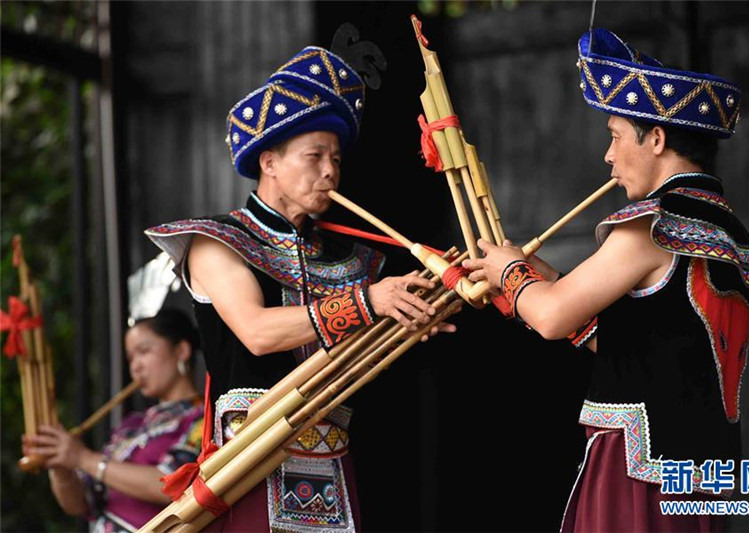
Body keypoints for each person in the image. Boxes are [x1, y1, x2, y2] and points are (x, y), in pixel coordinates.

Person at [464, 28, 749, 532]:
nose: (608, 157)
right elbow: (649, 343)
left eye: (614, 135)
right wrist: (546, 279)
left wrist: (509, 272)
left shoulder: (652, 225)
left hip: (642, 471)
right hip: (703, 481)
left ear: (655, 138)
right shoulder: (723, 226)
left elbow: (549, 316)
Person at [146, 45, 453, 532]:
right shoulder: (217, 241)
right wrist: (371, 301)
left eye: (335, 158)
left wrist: (410, 319)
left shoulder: (351, 258)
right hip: (248, 466)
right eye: (314, 156)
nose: (330, 171)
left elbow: (359, 358)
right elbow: (258, 332)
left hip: (333, 461)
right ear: (269, 162)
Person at [24, 309, 204, 532]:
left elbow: (173, 485)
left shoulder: (201, 418)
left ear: (181, 350)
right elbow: (79, 503)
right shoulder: (132, 425)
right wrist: (62, 464)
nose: (135, 366)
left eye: (144, 351)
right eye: (131, 358)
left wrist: (82, 457)